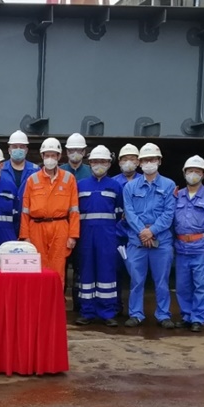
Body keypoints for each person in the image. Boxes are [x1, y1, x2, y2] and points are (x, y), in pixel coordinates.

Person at [123, 143, 176, 329]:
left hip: (161, 241)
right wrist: (143, 232)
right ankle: (136, 314)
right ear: (139, 163)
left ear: (159, 161)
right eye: (145, 160)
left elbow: (169, 214)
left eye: (152, 159)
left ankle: (163, 315)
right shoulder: (130, 187)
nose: (148, 163)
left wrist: (151, 231)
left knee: (161, 281)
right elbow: (129, 213)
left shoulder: (169, 186)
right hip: (137, 241)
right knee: (136, 281)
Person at [19, 137, 80, 286]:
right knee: (37, 267)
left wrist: (73, 235)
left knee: (57, 268)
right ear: (42, 156)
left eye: (53, 155)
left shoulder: (69, 179)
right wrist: (25, 236)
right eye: (47, 155)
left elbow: (74, 210)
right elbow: (25, 211)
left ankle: (55, 305)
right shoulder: (32, 180)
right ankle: (38, 306)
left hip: (60, 228)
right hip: (36, 228)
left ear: (59, 157)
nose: (50, 159)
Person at [174, 155, 204, 333]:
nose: (193, 174)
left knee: (201, 286)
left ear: (203, 174)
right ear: (184, 173)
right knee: (183, 285)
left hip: (202, 247)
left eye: (197, 171)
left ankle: (198, 319)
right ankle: (186, 316)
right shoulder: (177, 195)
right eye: (190, 171)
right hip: (181, 247)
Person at [75, 145, 122, 327]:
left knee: (107, 273)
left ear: (109, 163)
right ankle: (87, 312)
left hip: (108, 236)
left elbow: (119, 213)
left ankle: (107, 312)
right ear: (90, 163)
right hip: (85, 235)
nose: (98, 165)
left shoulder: (115, 186)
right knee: (86, 273)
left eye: (102, 161)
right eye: (95, 161)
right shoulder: (80, 185)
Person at [61, 132, 91, 310]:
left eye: (78, 150)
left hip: (85, 226)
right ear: (66, 152)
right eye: (71, 150)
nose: (75, 153)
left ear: (84, 151)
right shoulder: (60, 171)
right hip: (63, 226)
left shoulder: (90, 171)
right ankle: (60, 302)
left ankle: (80, 304)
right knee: (61, 266)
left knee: (82, 267)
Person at [113, 143, 140, 315]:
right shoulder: (113, 182)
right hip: (116, 233)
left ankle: (136, 311)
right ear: (119, 162)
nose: (128, 162)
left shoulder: (144, 182)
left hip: (137, 234)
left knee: (137, 275)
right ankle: (116, 306)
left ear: (138, 161)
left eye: (132, 159)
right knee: (115, 273)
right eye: (124, 159)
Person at [1, 130, 39, 197]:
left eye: (21, 147)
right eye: (15, 147)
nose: (18, 149)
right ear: (9, 150)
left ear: (26, 150)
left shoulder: (35, 170)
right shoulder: (0, 169)